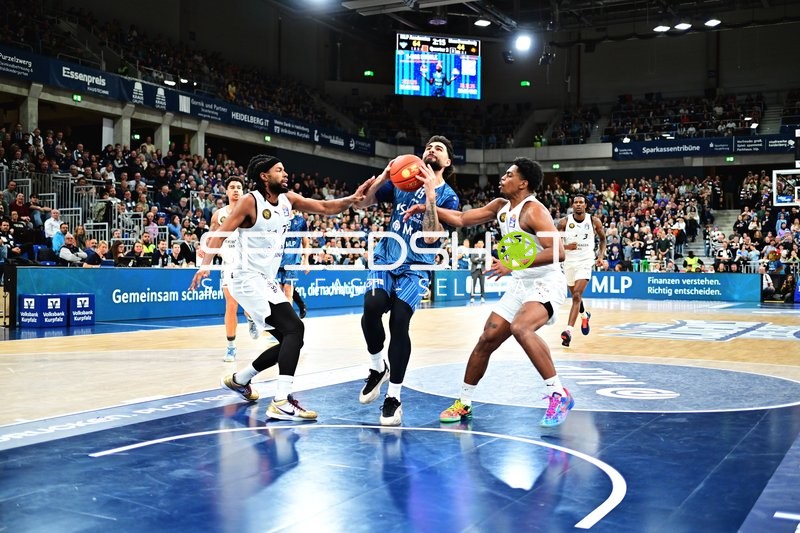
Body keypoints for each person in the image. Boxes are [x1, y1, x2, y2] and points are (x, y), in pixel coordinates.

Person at [189, 154, 373, 421]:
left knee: (292, 338)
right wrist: (205, 265)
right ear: (264, 176)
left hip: (265, 279)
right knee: (294, 329)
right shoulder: (250, 201)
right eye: (279, 170)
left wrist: (352, 199)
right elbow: (221, 233)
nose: (285, 174)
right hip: (245, 277)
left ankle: (240, 379)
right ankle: (281, 401)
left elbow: (324, 207)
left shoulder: (288, 199)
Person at [406, 157, 572, 428]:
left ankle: (559, 394)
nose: (502, 178)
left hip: (546, 282)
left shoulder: (534, 211)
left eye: (509, 175)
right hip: (521, 283)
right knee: (487, 339)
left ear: (523, 183)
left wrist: (513, 263)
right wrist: (428, 206)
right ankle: (464, 403)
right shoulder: (500, 207)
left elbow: (558, 252)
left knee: (521, 328)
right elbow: (461, 219)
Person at [357, 135, 460, 426]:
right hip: (387, 257)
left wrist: (430, 198)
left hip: (417, 266)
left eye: (439, 148)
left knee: (399, 321)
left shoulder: (449, 197)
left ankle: (394, 397)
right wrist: (384, 175)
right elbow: (363, 203)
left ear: (447, 161)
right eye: (428, 146)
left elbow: (431, 238)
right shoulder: (402, 181)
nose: (431, 150)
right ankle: (378, 367)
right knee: (372, 306)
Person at [208, 176, 260, 363]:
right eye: (232, 187)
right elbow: (211, 238)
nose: (236, 190)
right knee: (231, 304)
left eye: (239, 187)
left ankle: (251, 317)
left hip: (249, 264)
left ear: (243, 191)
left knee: (248, 303)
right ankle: (231, 347)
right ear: (227, 191)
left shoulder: (251, 213)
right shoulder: (219, 215)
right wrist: (206, 252)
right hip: (229, 264)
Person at [556, 195, 606, 347]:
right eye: (576, 202)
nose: (578, 205)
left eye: (581, 203)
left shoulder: (594, 221)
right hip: (568, 263)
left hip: (585, 261)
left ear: (585, 205)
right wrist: (567, 247)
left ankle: (568, 331)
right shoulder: (564, 222)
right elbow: (555, 244)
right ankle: (584, 315)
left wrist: (600, 256)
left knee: (577, 295)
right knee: (575, 296)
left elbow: (603, 239)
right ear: (572, 205)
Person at [276, 211, 309, 318]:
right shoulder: (276, 219)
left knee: (288, 290)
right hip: (277, 262)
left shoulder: (300, 221)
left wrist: (306, 260)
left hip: (293, 261)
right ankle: (279, 319)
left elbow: (305, 241)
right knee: (277, 293)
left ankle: (288, 320)